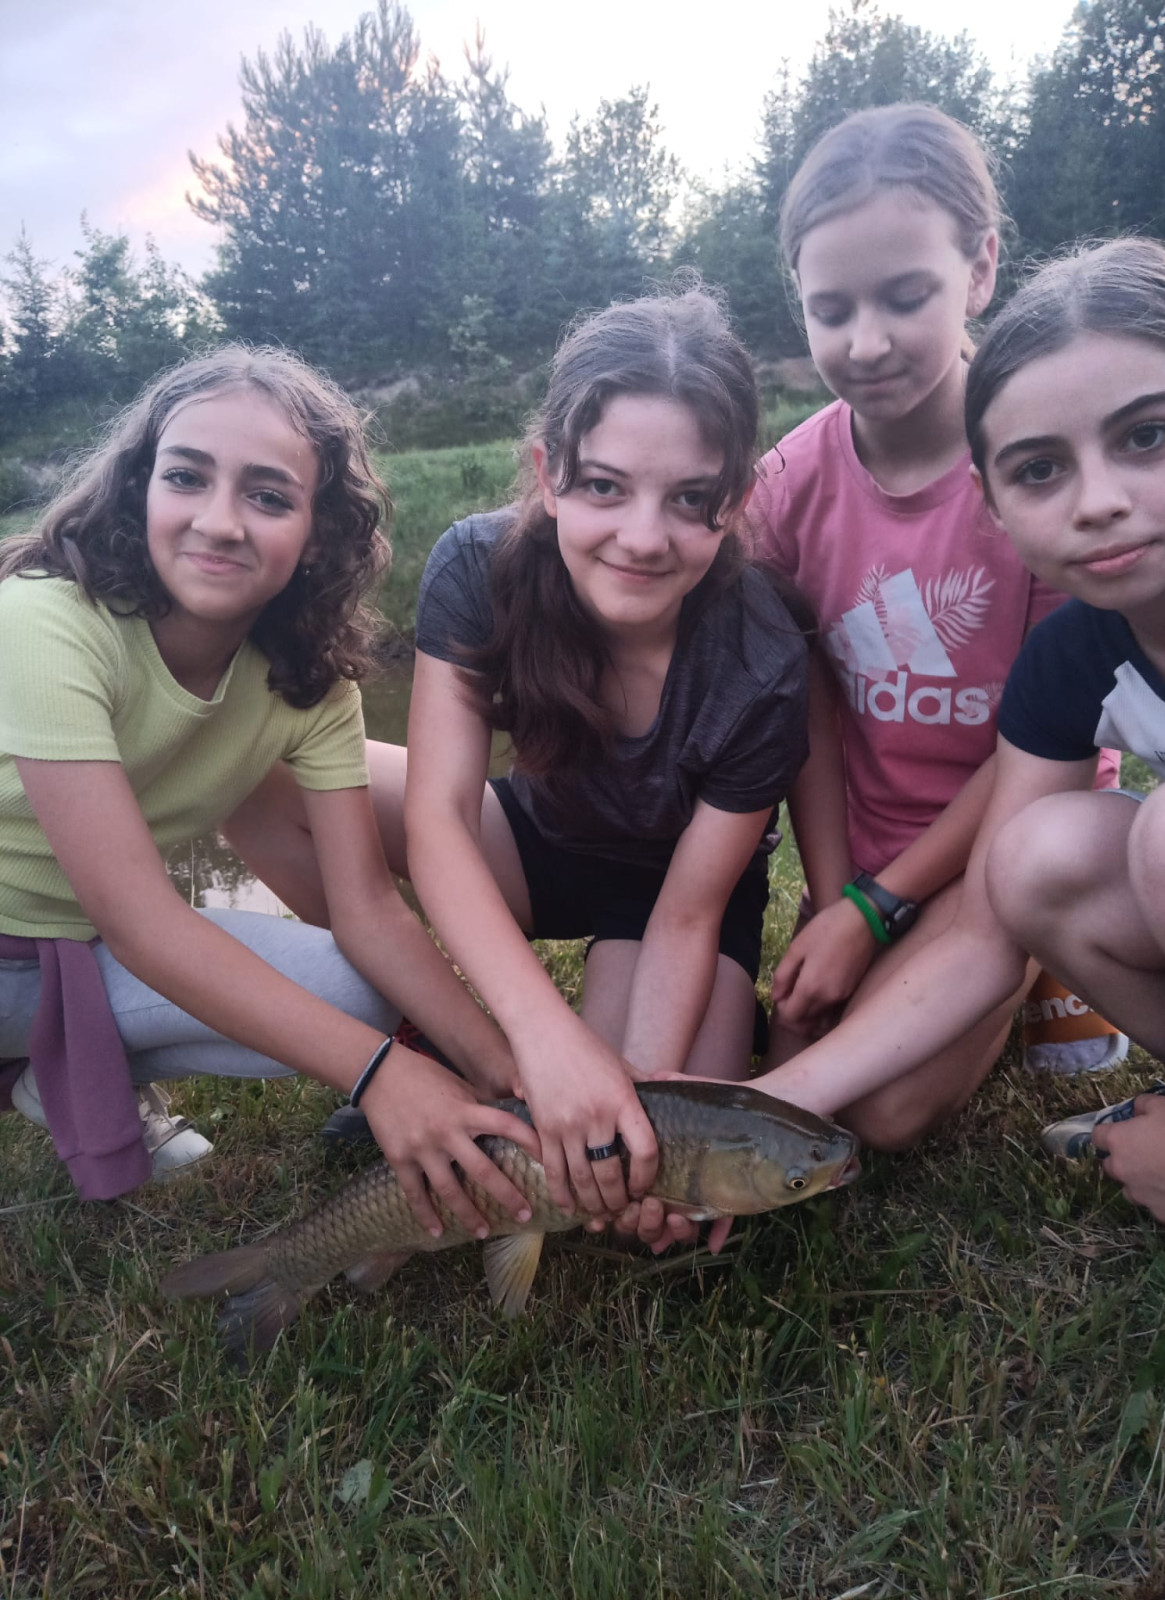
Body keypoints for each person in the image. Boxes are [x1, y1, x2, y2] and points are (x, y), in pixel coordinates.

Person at [283, 287, 808, 1252]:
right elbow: (441, 820)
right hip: (534, 842)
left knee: (633, 1188)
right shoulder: (476, 567)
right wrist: (536, 1041)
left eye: (690, 499)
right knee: (282, 783)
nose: (642, 537)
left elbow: (688, 914)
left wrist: (633, 1101)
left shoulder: (763, 661)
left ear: (736, 500)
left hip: (678, 899)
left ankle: (669, 1041)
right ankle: (433, 1042)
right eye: (604, 486)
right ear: (548, 473)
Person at [0, 346, 540, 1238]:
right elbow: (142, 922)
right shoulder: (45, 622)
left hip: (76, 949)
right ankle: (55, 1055)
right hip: (69, 942)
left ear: (319, 532)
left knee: (356, 995)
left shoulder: (308, 680)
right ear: (139, 488)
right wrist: (380, 1075)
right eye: (186, 477)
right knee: (353, 1036)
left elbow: (367, 910)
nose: (219, 523)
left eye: (268, 496)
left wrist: (506, 1070)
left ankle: (47, 1064)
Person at [755, 236, 1165, 1226]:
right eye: (1041, 470)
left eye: (1147, 436)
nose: (1100, 502)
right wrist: (766, 1107)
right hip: (907, 865)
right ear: (991, 503)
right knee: (1037, 855)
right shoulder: (1072, 657)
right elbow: (995, 917)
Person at [750, 102, 1122, 1152]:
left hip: (1021, 826)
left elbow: (1039, 748)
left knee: (883, 1115)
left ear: (981, 269)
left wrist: (879, 912)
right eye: (830, 309)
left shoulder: (1039, 471)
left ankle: (1046, 953)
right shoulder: (784, 487)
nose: (865, 342)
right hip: (868, 848)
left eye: (906, 296)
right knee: (792, 1052)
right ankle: (970, 964)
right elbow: (813, 715)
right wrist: (836, 900)